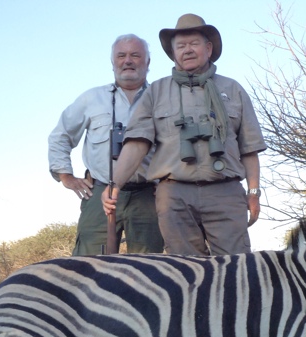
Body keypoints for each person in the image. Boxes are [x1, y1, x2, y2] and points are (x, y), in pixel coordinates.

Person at [102, 14, 265, 256]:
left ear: (208, 49)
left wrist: (253, 192)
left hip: (226, 192)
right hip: (174, 196)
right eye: (180, 46)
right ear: (173, 53)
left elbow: (249, 148)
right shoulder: (155, 91)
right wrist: (115, 184)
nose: (187, 50)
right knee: (184, 270)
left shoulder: (233, 89)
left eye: (193, 44)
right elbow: (136, 144)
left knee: (236, 267)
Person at [48, 34, 164, 255]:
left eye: (135, 55)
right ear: (113, 62)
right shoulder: (92, 98)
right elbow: (60, 135)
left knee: (148, 266)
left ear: (148, 62)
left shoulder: (162, 98)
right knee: (89, 265)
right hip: (100, 191)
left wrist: (168, 181)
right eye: (121, 56)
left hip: (148, 195)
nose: (127, 61)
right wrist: (65, 176)